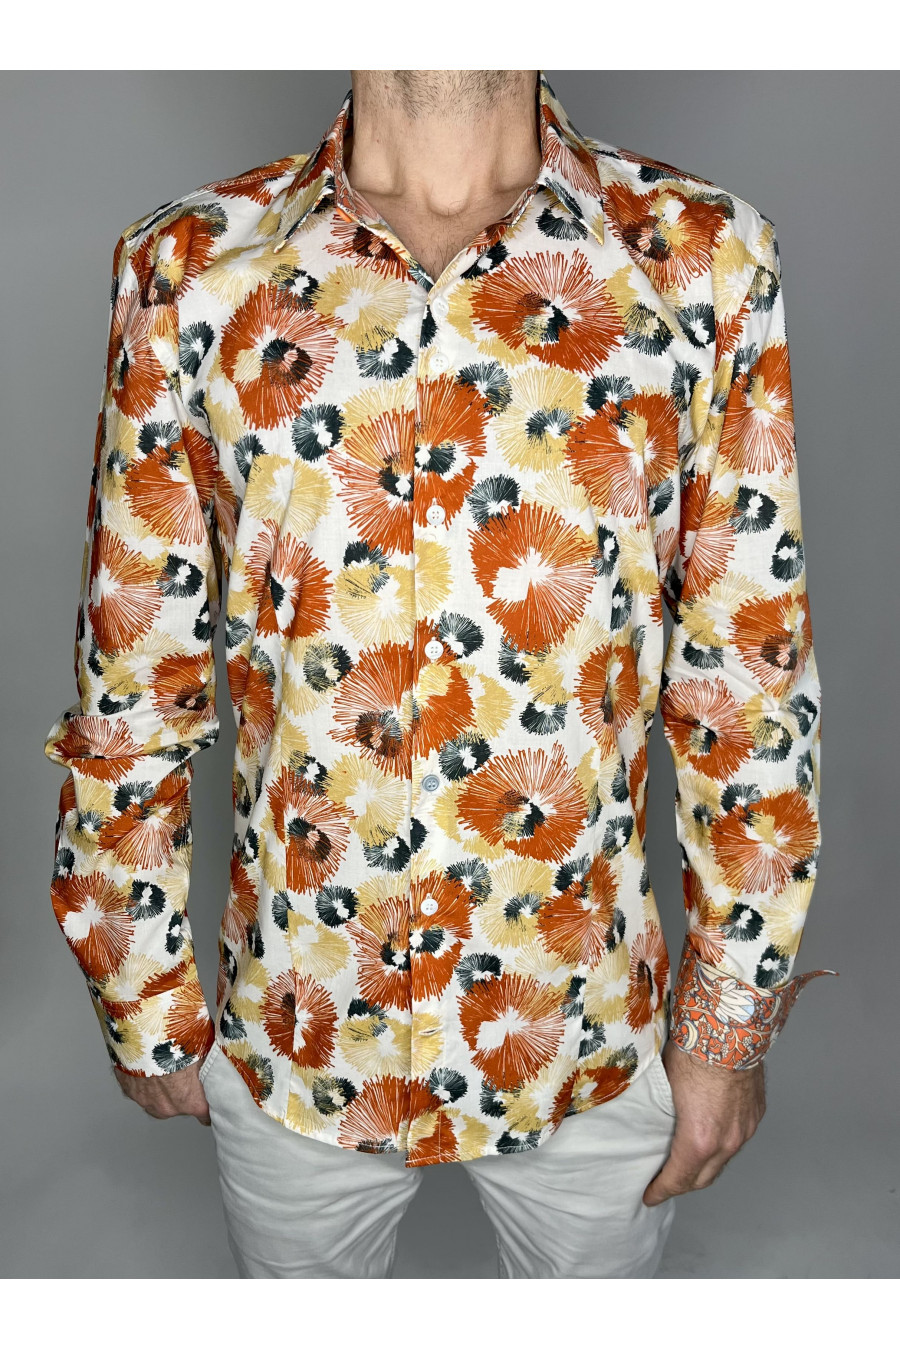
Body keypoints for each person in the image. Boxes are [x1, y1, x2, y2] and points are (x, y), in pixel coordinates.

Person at [43, 68, 834, 1280]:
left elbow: (744, 676)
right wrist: (140, 988)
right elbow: (137, 669)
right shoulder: (191, 269)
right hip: (299, 1031)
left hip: (584, 1036)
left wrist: (729, 1025)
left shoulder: (699, 259)